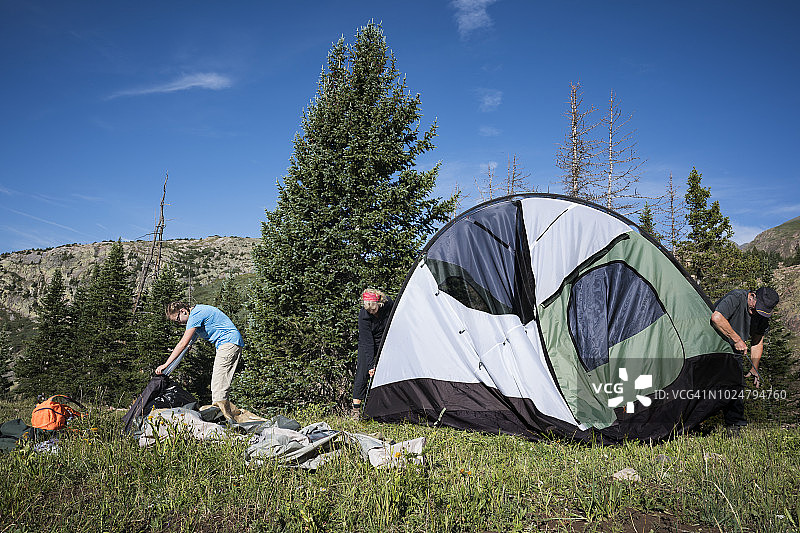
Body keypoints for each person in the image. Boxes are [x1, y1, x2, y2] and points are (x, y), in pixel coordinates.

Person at [711, 286, 779, 428]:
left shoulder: (761, 316)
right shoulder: (736, 297)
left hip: (734, 353)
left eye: (762, 311)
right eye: (755, 308)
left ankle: (735, 427)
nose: (755, 313)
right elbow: (716, 318)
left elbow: (757, 341)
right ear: (752, 296)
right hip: (711, 347)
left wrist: (754, 366)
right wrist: (737, 339)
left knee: (736, 388)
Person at [156, 302, 244, 405]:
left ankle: (219, 413)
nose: (179, 323)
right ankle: (221, 411)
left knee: (218, 383)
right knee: (220, 381)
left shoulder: (195, 315)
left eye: (178, 320)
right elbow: (190, 339)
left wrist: (166, 365)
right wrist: (189, 345)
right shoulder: (198, 312)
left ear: (183, 311)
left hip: (228, 343)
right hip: (230, 342)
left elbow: (182, 344)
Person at [352, 288, 393, 418]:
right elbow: (367, 342)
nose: (371, 313)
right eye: (369, 311)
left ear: (379, 304)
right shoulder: (364, 315)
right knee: (362, 373)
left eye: (373, 310)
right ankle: (356, 411)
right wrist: (370, 365)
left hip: (386, 338)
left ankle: (388, 407)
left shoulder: (389, 304)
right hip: (369, 342)